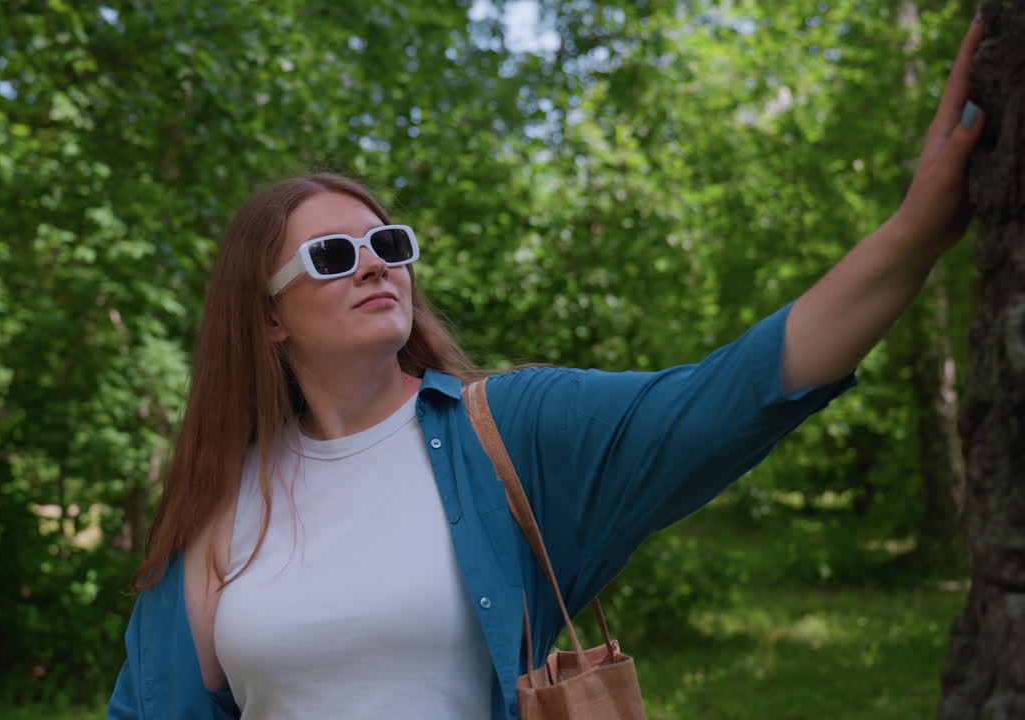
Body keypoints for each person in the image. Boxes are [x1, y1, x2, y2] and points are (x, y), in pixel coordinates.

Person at [106, 18, 987, 720]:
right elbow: (157, 709)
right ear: (265, 318)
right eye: (336, 255)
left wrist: (913, 234)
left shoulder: (513, 433)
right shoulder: (223, 507)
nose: (376, 264)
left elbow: (727, 397)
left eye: (389, 243)